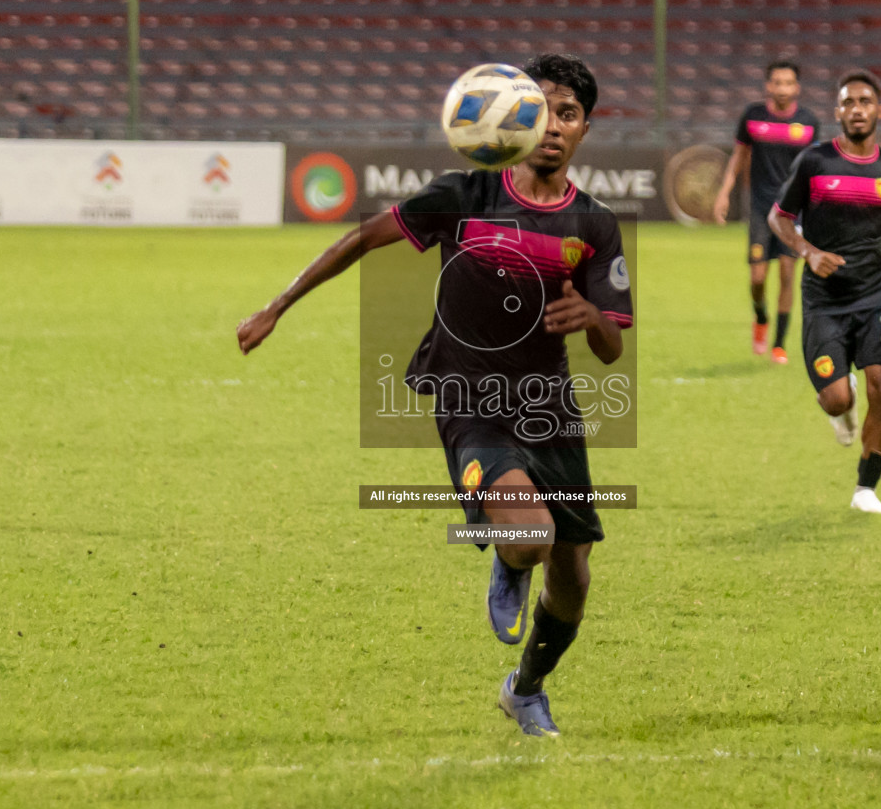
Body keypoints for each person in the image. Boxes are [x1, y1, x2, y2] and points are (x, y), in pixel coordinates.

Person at [235, 53, 633, 738]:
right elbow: (364, 238)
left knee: (574, 576)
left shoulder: (593, 225)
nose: (553, 126)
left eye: (567, 113)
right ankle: (508, 554)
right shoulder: (466, 195)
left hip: (549, 406)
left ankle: (525, 689)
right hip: (466, 392)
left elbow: (610, 346)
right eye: (539, 110)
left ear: (585, 129)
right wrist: (279, 304)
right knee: (532, 539)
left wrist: (591, 318)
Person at [767, 70, 881, 514]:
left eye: (865, 101)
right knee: (836, 398)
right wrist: (807, 250)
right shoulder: (815, 162)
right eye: (848, 102)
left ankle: (866, 489)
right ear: (838, 112)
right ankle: (844, 404)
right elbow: (778, 217)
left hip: (876, 292)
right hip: (823, 298)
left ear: (879, 110)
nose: (857, 109)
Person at [712, 59, 820, 363]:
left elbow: (814, 169)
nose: (782, 88)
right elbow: (738, 157)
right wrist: (724, 191)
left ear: (797, 87)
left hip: (793, 211)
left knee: (787, 275)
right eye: (777, 83)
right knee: (758, 278)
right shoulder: (753, 116)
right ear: (768, 86)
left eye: (788, 83)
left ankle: (779, 344)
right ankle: (761, 317)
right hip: (761, 209)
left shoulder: (809, 122)